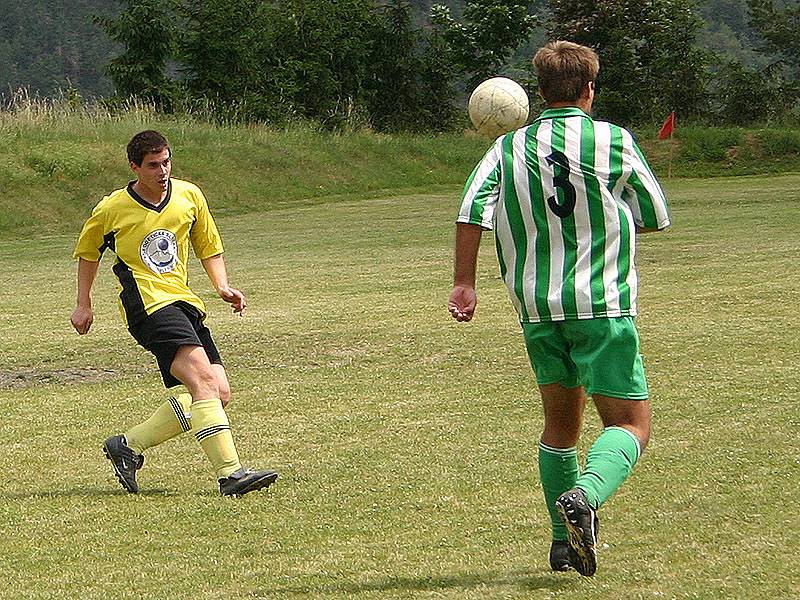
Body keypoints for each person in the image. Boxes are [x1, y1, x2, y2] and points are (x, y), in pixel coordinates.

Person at [448, 41, 670, 576]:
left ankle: (562, 543)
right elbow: (654, 213)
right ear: (589, 89)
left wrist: (464, 283)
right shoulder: (613, 139)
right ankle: (587, 499)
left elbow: (471, 209)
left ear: (539, 93)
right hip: (602, 305)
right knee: (630, 424)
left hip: (537, 309)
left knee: (560, 428)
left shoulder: (505, 150)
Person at [71, 130, 278, 498]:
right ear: (135, 167)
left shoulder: (189, 195)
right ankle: (231, 475)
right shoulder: (112, 208)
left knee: (219, 392)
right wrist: (83, 303)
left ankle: (126, 445)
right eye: (152, 165)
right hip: (147, 304)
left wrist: (222, 286)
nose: (162, 170)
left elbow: (208, 244)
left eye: (166, 162)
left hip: (183, 299)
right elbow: (89, 252)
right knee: (202, 381)